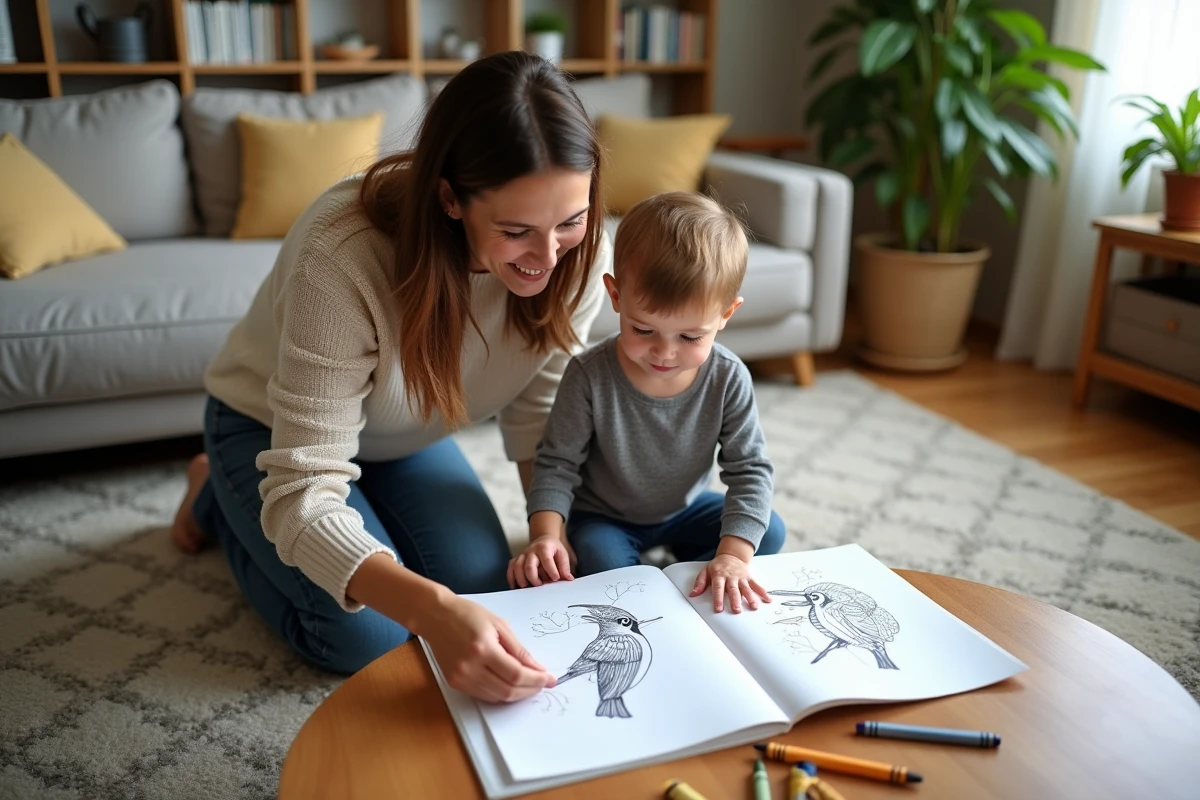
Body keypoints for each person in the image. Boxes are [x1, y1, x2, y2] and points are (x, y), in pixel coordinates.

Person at [168, 51, 612, 704]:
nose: (548, 257)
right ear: (449, 198)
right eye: (516, 230)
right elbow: (305, 490)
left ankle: (273, 506)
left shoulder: (580, 251)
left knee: (481, 584)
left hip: (405, 433)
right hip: (271, 431)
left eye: (569, 222)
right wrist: (429, 611)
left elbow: (539, 411)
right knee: (363, 637)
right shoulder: (343, 253)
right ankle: (219, 489)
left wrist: (551, 528)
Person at [506, 192, 786, 613]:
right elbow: (556, 463)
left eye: (690, 337)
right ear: (616, 296)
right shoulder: (588, 375)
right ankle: (669, 569)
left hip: (684, 509)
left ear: (727, 313)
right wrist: (546, 535)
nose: (664, 353)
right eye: (643, 329)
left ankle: (687, 565)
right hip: (604, 517)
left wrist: (731, 556)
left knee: (769, 532)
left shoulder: (729, 377)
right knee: (606, 567)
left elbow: (749, 470)